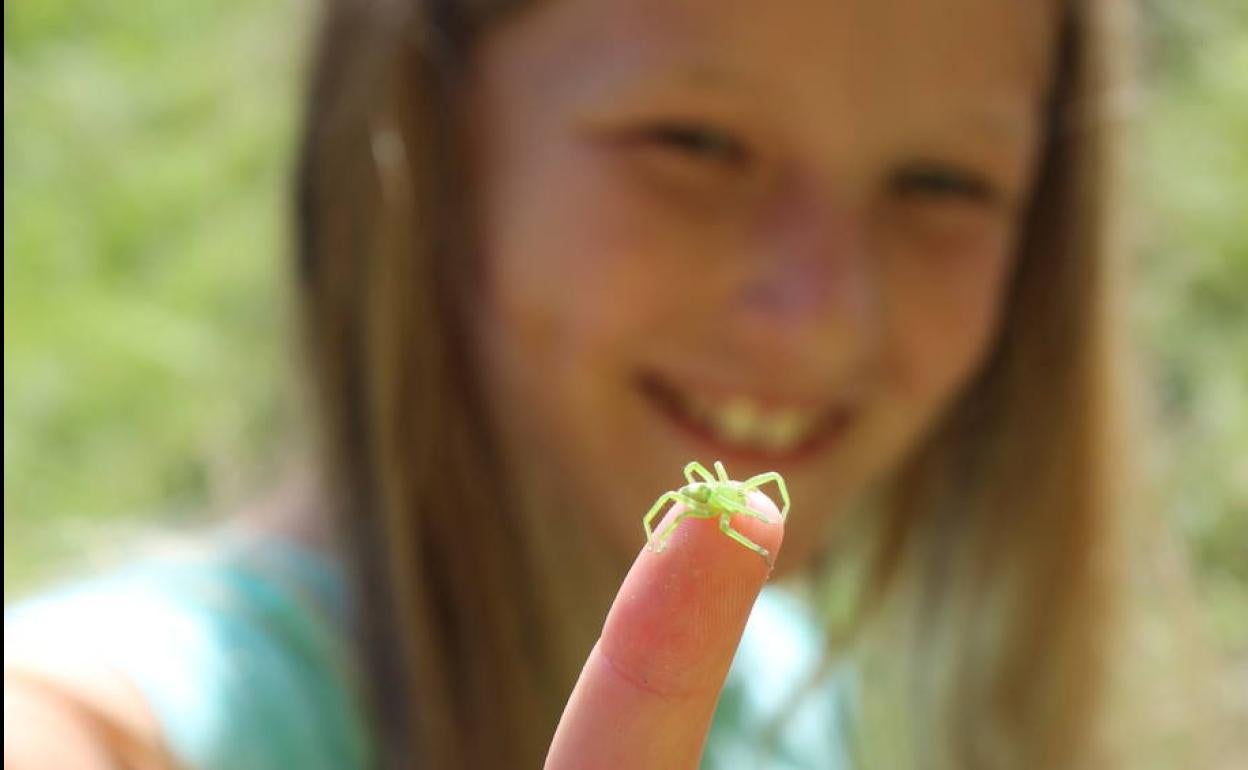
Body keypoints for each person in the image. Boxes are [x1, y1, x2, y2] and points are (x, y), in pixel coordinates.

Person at [5, 0, 1137, 767]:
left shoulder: (788, 677)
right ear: (432, 131)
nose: (827, 311)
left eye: (943, 183)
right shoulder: (113, 714)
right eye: (695, 143)